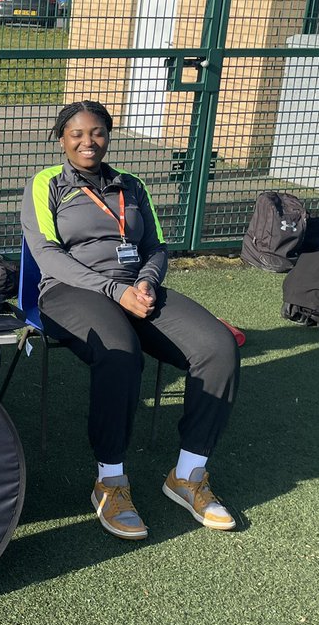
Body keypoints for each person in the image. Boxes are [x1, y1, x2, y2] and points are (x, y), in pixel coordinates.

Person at [20, 100, 240, 540]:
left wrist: (146, 282)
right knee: (120, 352)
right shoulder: (47, 183)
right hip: (70, 291)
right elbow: (47, 255)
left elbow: (155, 247)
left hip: (136, 290)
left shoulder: (132, 185)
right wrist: (112, 290)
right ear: (62, 139)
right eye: (77, 133)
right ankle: (110, 481)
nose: (88, 142)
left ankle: (188, 475)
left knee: (218, 348)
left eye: (97, 132)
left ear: (108, 136)